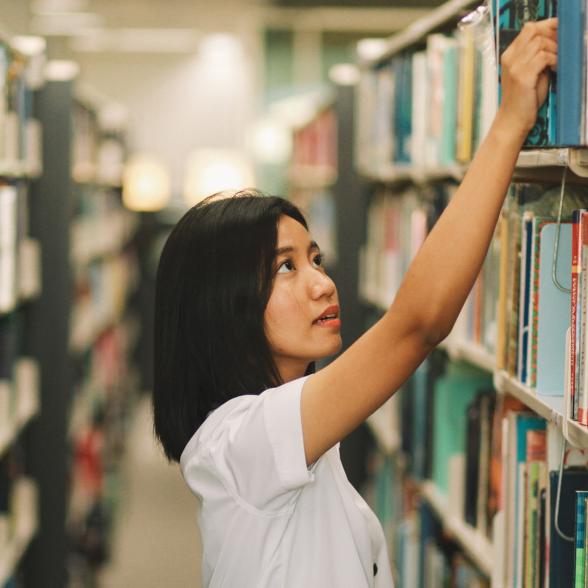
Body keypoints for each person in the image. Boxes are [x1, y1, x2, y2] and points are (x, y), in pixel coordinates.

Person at [152, 19, 558, 588]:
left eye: (315, 259)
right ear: (224, 305)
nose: (322, 283)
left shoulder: (301, 428)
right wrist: (511, 120)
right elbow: (416, 325)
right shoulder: (242, 441)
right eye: (285, 268)